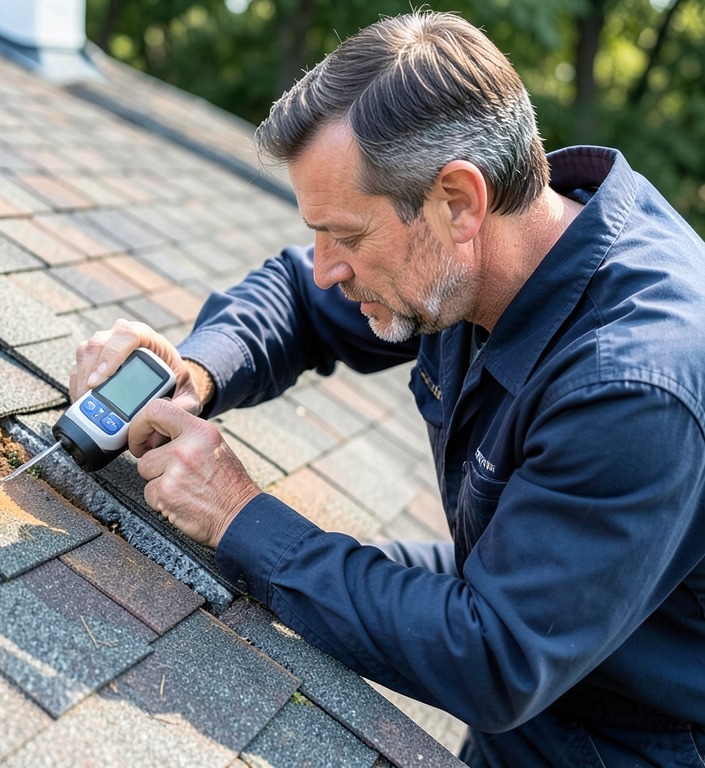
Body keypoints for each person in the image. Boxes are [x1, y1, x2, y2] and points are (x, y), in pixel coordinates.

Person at [71, 11, 705, 767]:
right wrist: (191, 375)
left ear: (458, 202)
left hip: (619, 741)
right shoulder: (477, 255)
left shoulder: (632, 387)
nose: (325, 269)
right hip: (535, 637)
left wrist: (238, 515)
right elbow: (298, 298)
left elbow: (495, 655)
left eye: (346, 236)